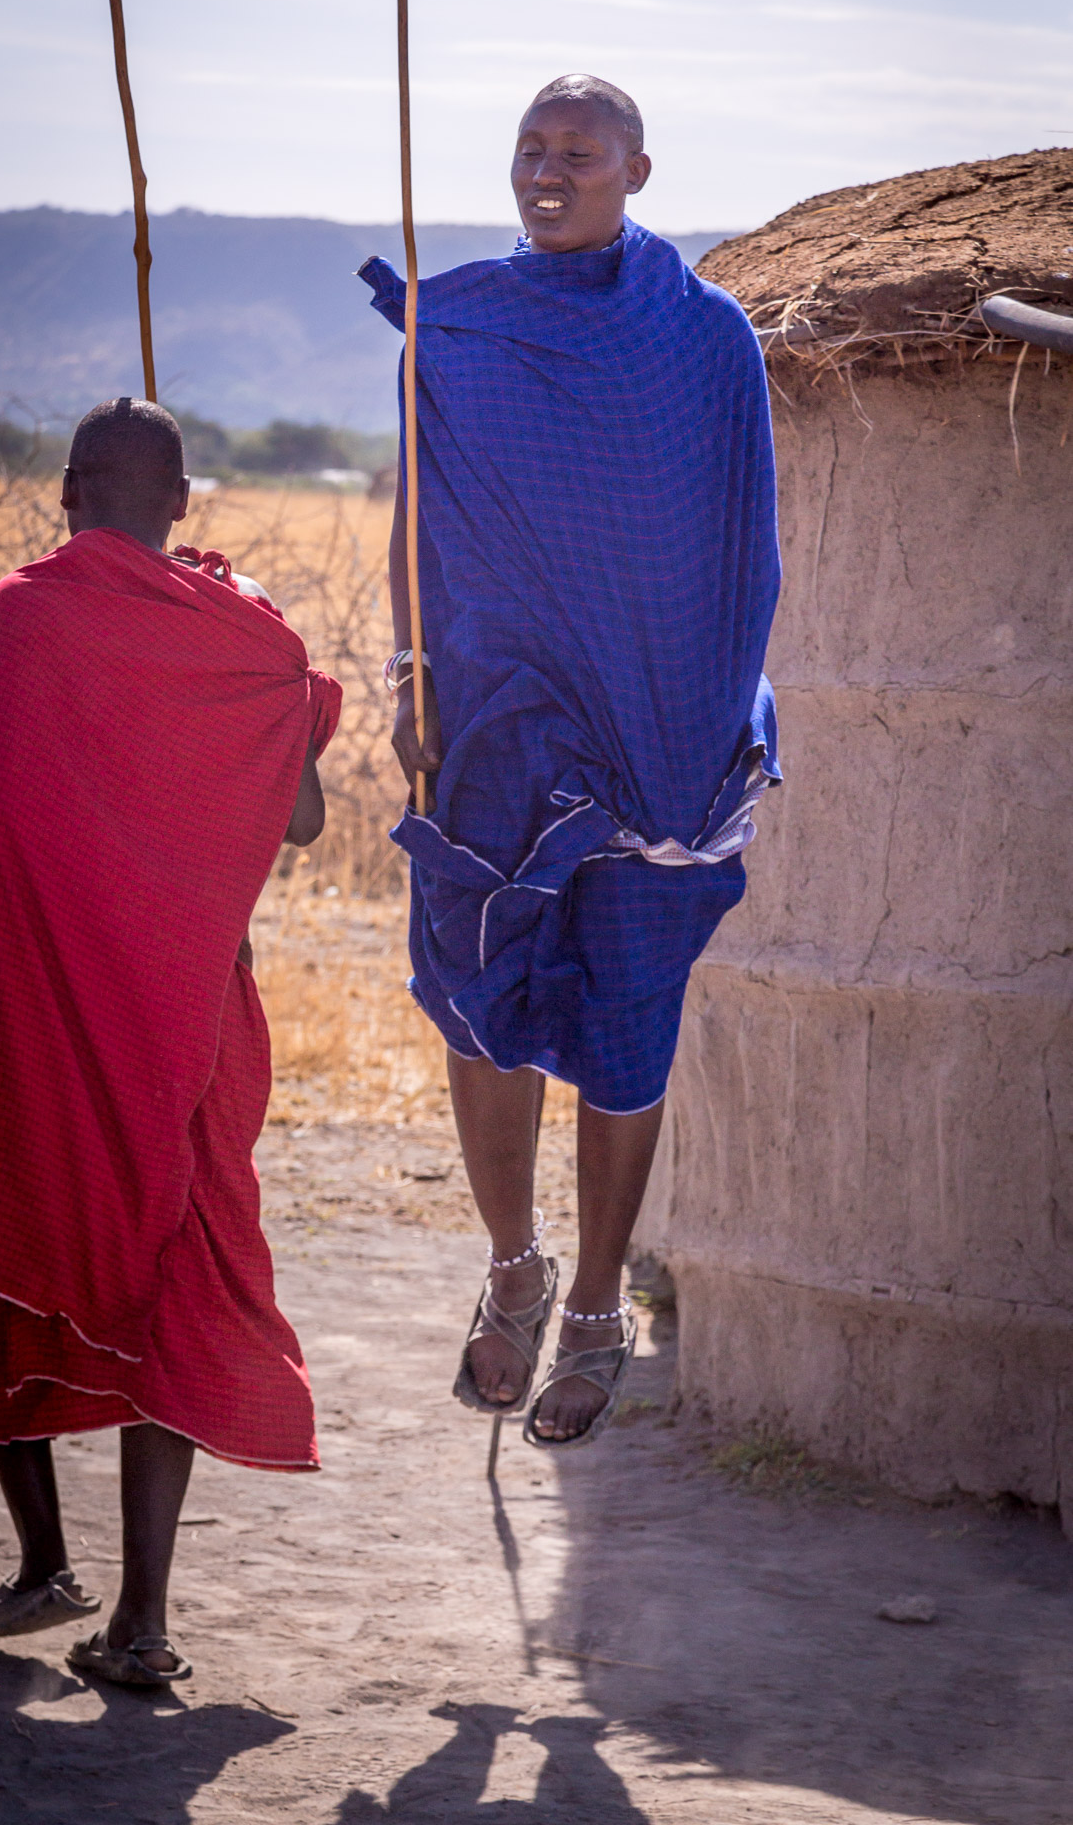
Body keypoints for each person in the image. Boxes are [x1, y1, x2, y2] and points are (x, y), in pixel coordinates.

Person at [360, 75, 780, 1448]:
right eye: (529, 150)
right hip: (496, 718)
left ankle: (596, 1300)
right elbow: (418, 509)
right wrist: (410, 670)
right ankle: (511, 1265)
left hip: (665, 728)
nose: (547, 171)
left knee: (626, 1017)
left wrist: (712, 706)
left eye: (576, 154)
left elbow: (736, 541)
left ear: (635, 173)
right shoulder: (459, 329)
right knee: (480, 995)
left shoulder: (704, 338)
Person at [0, 398, 341, 1686]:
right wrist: (230, 656)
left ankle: (36, 1562)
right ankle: (142, 1621)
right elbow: (299, 823)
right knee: (173, 1281)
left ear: (68, 490)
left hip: (28, 1018)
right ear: (182, 500)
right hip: (188, 1022)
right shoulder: (247, 639)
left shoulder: (12, 623)